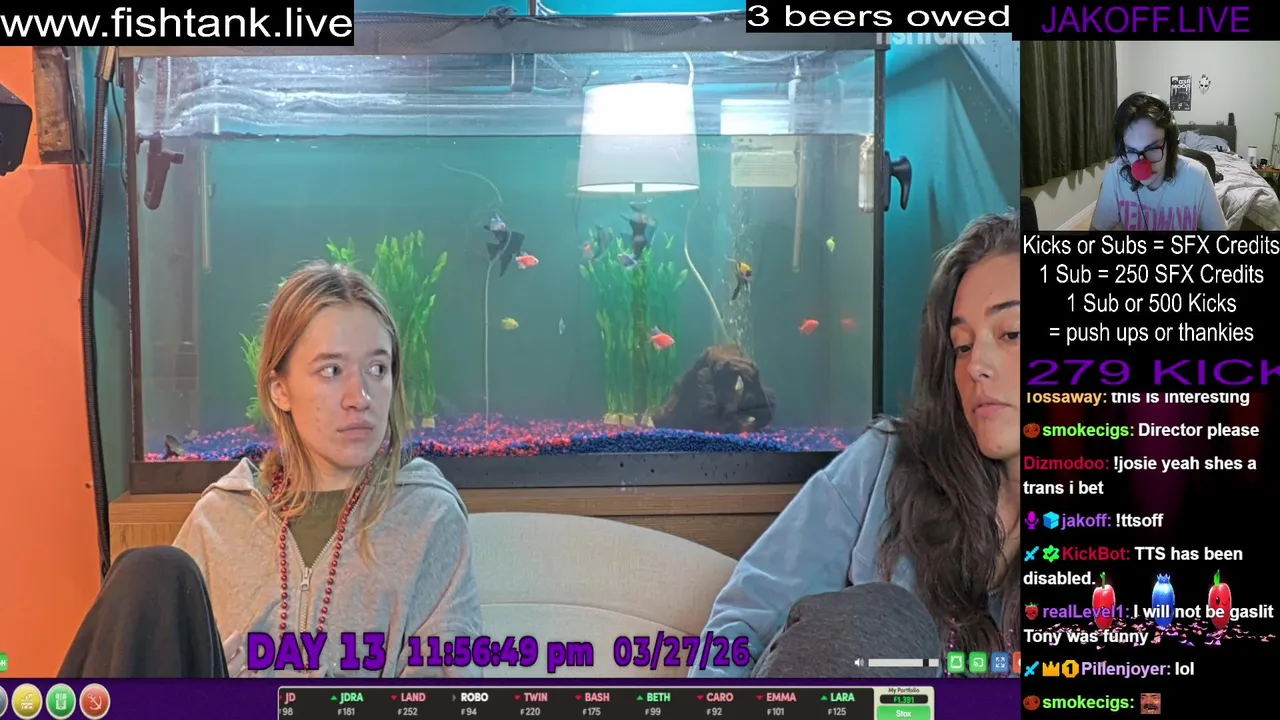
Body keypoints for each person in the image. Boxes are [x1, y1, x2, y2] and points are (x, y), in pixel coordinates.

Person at [60, 261, 484, 678]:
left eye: (377, 369)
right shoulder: (218, 519)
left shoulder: (428, 517)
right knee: (147, 572)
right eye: (331, 370)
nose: (360, 397)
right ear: (279, 389)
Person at [690, 213, 1021, 678]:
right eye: (961, 346)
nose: (975, 365)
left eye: (1011, 334)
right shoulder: (884, 464)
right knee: (885, 622)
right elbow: (743, 621)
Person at [1090, 92, 1227, 232]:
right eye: (1131, 150)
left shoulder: (1197, 177)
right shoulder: (1117, 172)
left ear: (1171, 144)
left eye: (1152, 148)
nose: (1142, 165)